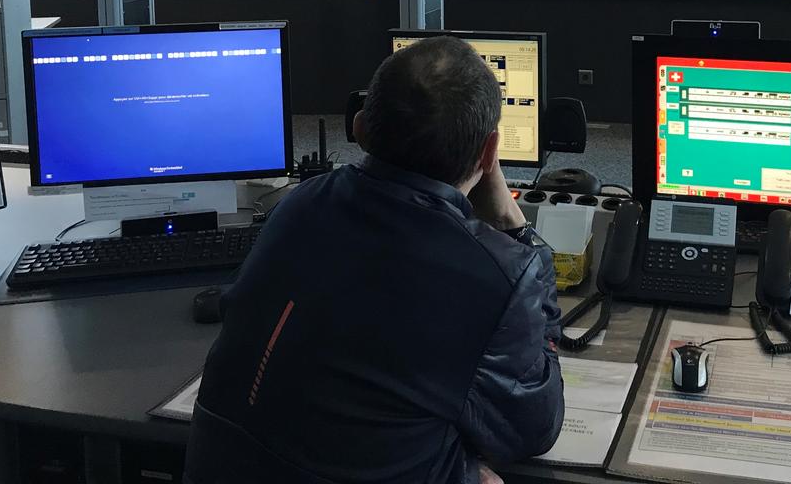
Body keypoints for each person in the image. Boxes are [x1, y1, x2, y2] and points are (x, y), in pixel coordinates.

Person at [184, 36, 564, 484]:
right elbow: (534, 428)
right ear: (489, 151)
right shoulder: (499, 275)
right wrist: (512, 224)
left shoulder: (299, 204)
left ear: (361, 128)